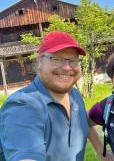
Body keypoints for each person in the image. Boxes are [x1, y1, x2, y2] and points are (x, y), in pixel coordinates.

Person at [0, 31, 97, 161]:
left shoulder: (75, 95)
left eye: (73, 60)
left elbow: (84, 123)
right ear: (39, 61)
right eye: (57, 59)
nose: (67, 67)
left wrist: (102, 152)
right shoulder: (23, 106)